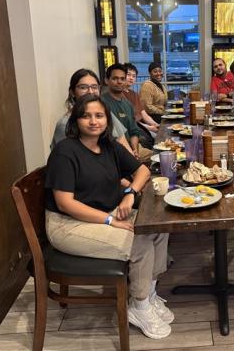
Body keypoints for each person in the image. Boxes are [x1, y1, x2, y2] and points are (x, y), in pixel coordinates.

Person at [46, 94, 173, 339]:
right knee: (140, 242)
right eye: (86, 116)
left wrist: (129, 194)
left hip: (105, 212)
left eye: (99, 115)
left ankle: (149, 293)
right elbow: (65, 203)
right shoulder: (65, 151)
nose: (93, 121)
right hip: (68, 225)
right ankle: (139, 305)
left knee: (157, 227)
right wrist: (110, 221)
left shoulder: (109, 146)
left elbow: (142, 170)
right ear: (76, 120)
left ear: (107, 120)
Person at [50, 68, 131, 153]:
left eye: (94, 87)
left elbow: (123, 142)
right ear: (72, 92)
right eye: (83, 87)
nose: (90, 92)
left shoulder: (104, 113)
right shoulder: (65, 124)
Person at [102, 64, 153, 162]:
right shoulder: (102, 103)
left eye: (122, 79)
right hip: (113, 152)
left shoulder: (128, 105)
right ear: (107, 80)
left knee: (163, 156)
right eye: (115, 78)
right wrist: (130, 153)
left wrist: (135, 150)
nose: (119, 82)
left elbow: (134, 131)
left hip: (133, 148)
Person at [123, 63, 160, 146]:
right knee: (158, 140)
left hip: (142, 126)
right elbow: (130, 122)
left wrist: (156, 124)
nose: (131, 78)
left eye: (134, 76)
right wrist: (148, 127)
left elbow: (144, 114)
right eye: (128, 75)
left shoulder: (134, 94)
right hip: (134, 129)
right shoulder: (119, 95)